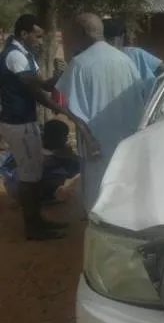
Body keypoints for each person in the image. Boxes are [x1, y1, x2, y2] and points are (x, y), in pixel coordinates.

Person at [0, 14, 95, 240]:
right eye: (37, 36)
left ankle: (37, 222)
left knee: (33, 174)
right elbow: (38, 92)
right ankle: (33, 228)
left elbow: (43, 84)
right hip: (18, 123)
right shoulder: (15, 56)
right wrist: (70, 115)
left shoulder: (24, 55)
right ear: (24, 34)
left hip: (25, 121)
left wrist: (61, 75)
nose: (40, 41)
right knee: (29, 177)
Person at [55, 13, 146, 213]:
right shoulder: (125, 61)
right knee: (123, 192)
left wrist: (89, 141)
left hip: (96, 143)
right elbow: (140, 99)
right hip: (126, 142)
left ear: (82, 32)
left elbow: (71, 108)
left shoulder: (80, 64)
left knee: (97, 195)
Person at [102, 18, 164, 101]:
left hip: (149, 104)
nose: (108, 44)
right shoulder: (102, 62)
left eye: (111, 40)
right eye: (106, 40)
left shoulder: (136, 54)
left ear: (122, 38)